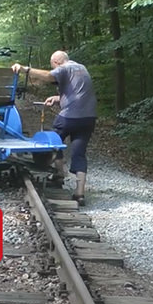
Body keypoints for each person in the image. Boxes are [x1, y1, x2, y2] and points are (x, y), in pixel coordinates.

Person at [12, 51, 97, 204]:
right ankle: (79, 194)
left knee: (53, 143)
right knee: (79, 153)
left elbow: (49, 76)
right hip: (88, 118)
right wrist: (58, 98)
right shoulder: (82, 68)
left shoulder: (65, 68)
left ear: (57, 62)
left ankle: (59, 174)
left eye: (53, 65)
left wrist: (26, 70)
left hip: (70, 117)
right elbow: (78, 93)